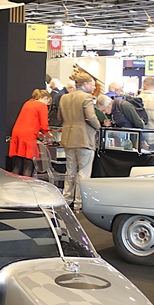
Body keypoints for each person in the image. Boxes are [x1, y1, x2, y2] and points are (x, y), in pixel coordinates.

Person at [58, 69, 101, 211]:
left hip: (68, 138)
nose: (94, 87)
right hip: (84, 139)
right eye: (92, 84)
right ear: (85, 84)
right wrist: (99, 126)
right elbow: (91, 117)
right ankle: (79, 203)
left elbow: (59, 117)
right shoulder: (86, 98)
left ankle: (66, 199)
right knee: (83, 172)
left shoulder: (64, 98)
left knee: (70, 171)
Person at [9, 89, 52, 176]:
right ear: (46, 98)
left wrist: (38, 133)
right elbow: (44, 125)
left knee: (17, 165)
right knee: (28, 166)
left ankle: (13, 183)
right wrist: (48, 135)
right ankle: (27, 184)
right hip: (28, 136)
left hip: (17, 133)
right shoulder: (41, 105)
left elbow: (27, 121)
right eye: (48, 103)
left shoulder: (27, 103)